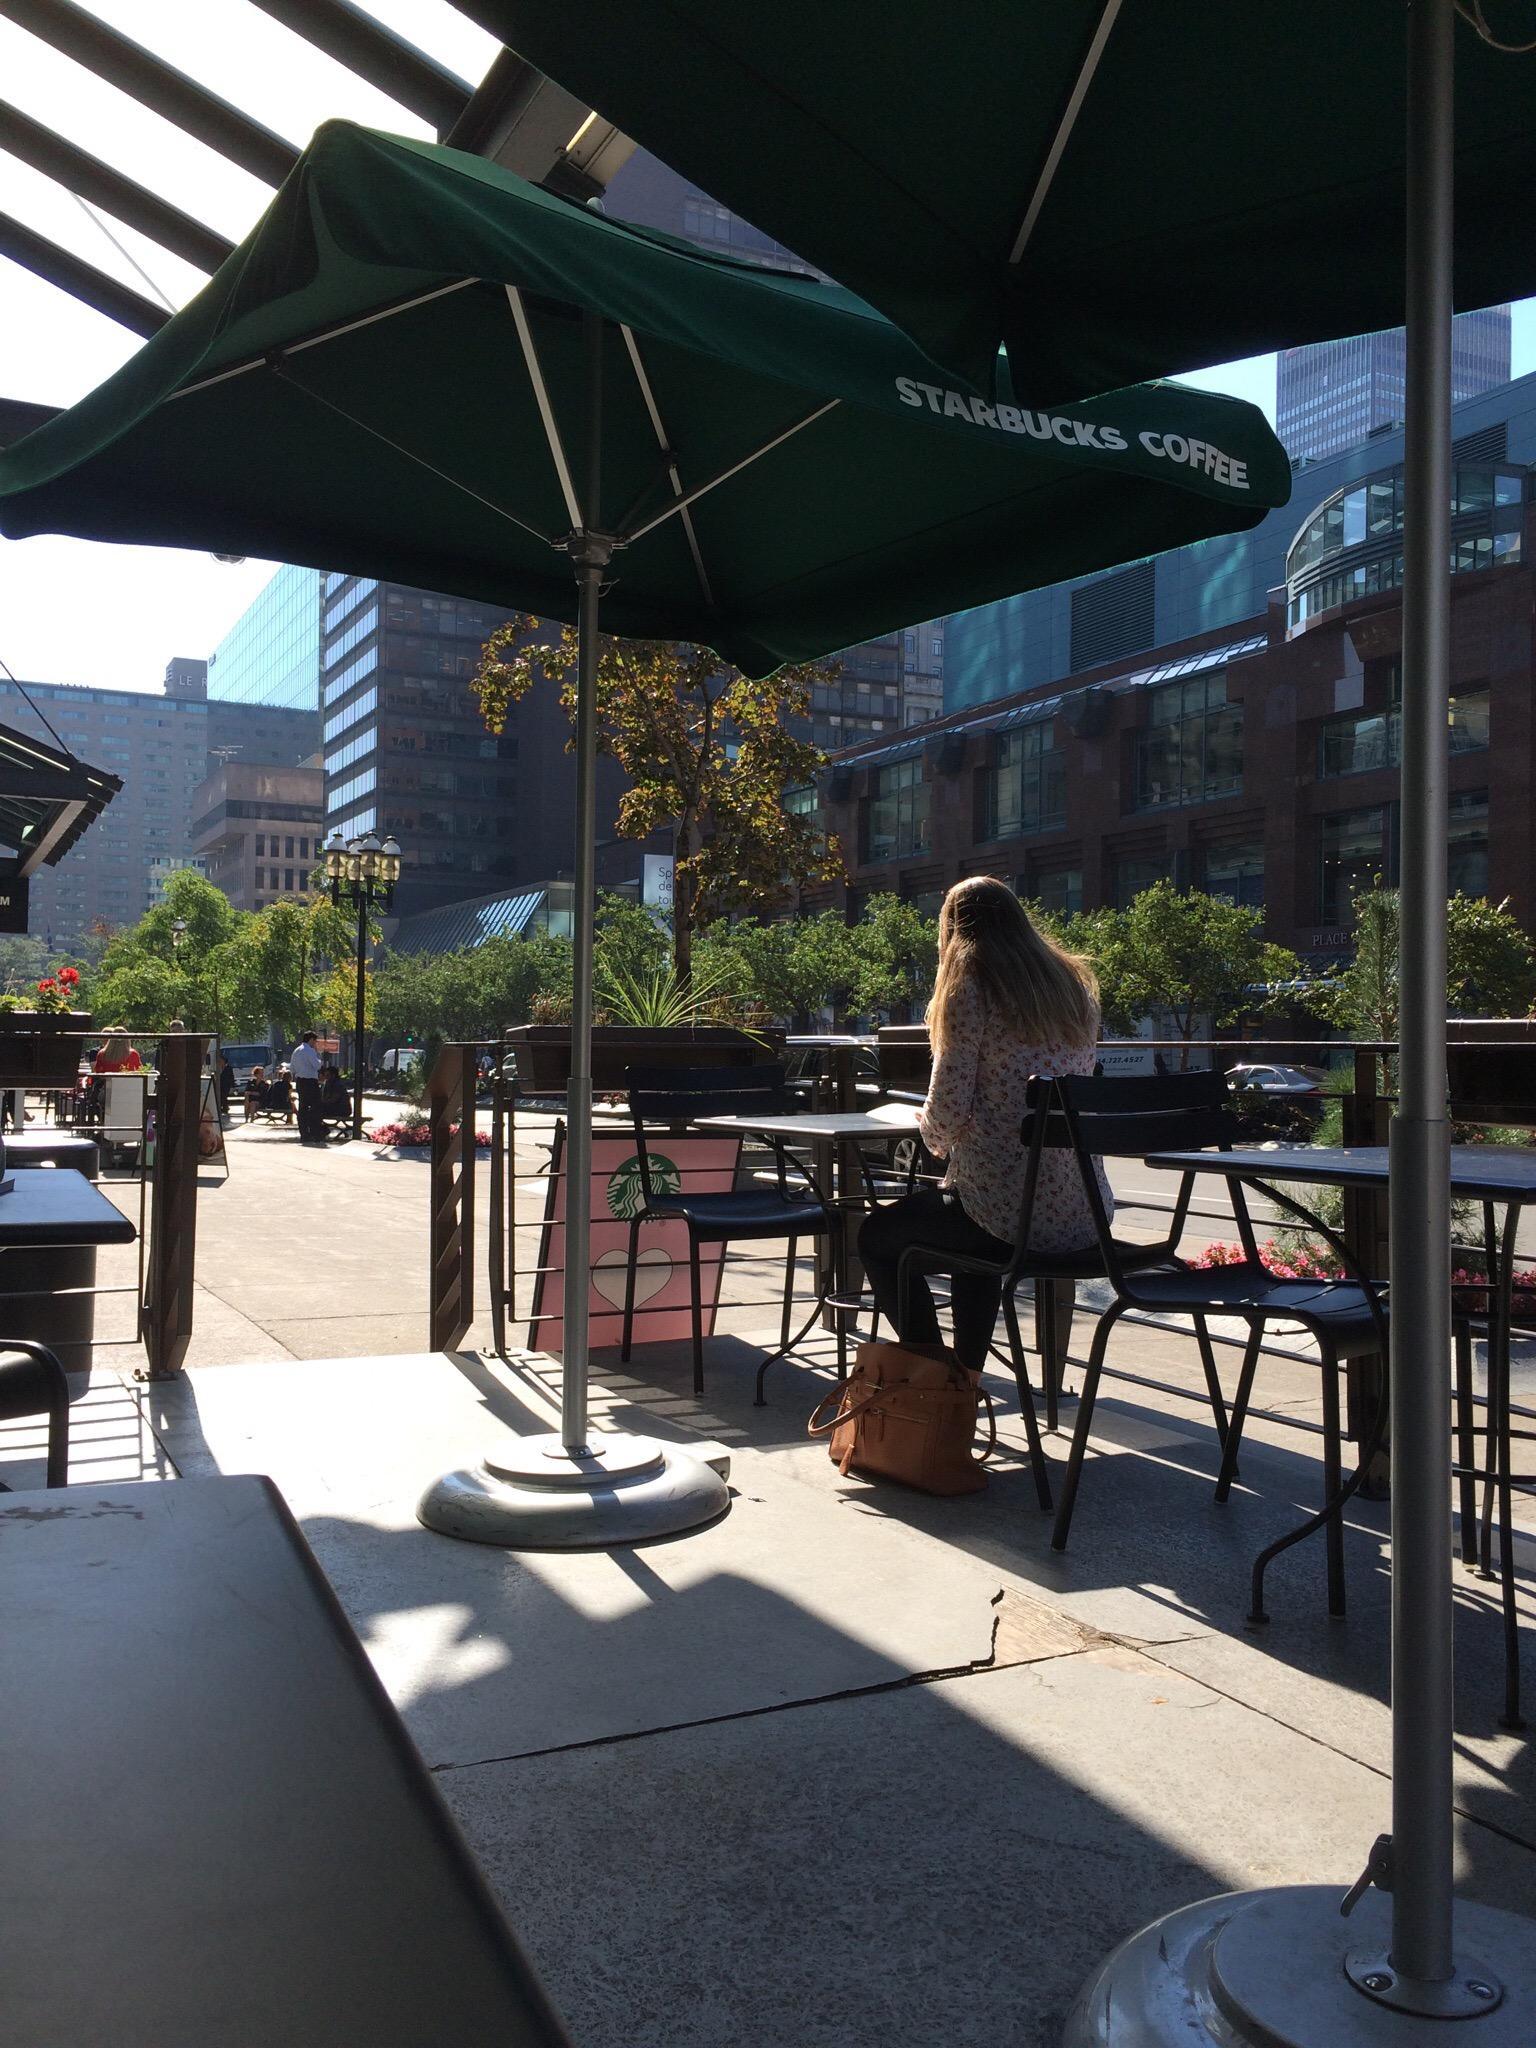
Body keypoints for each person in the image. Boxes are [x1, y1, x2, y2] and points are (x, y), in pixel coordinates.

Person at [857, 876, 1112, 1378]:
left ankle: (937, 1380)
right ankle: (967, 1380)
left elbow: (944, 1119)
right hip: (1087, 1215)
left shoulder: (970, 987)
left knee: (877, 1237)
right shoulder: (1072, 986)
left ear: (953, 929)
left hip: (1007, 1214)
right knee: (970, 1245)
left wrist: (927, 1127)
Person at [289, 1030, 325, 1143]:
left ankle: (304, 1133)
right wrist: (319, 1058)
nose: (315, 1044)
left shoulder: (296, 1050)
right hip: (310, 1081)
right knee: (315, 1107)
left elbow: (292, 1069)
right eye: (315, 1041)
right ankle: (315, 1132)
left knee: (303, 1108)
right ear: (311, 1040)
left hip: (300, 1081)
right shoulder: (309, 1050)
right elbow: (317, 1065)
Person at [318, 1061, 351, 1134]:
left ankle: (322, 1130)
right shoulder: (327, 1083)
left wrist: (321, 1103)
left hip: (342, 1110)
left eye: (328, 1075)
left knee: (316, 1110)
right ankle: (320, 1129)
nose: (326, 1077)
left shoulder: (338, 1084)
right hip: (334, 1107)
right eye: (325, 1075)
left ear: (333, 1075)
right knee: (314, 1109)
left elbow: (334, 1099)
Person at [217, 1052, 235, 1118]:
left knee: (224, 1096)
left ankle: (225, 1108)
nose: (220, 1062)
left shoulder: (229, 1068)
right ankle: (223, 1107)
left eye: (222, 1060)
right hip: (219, 1084)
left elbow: (231, 1077)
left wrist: (233, 1086)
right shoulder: (217, 1068)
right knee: (221, 1096)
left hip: (226, 1085)